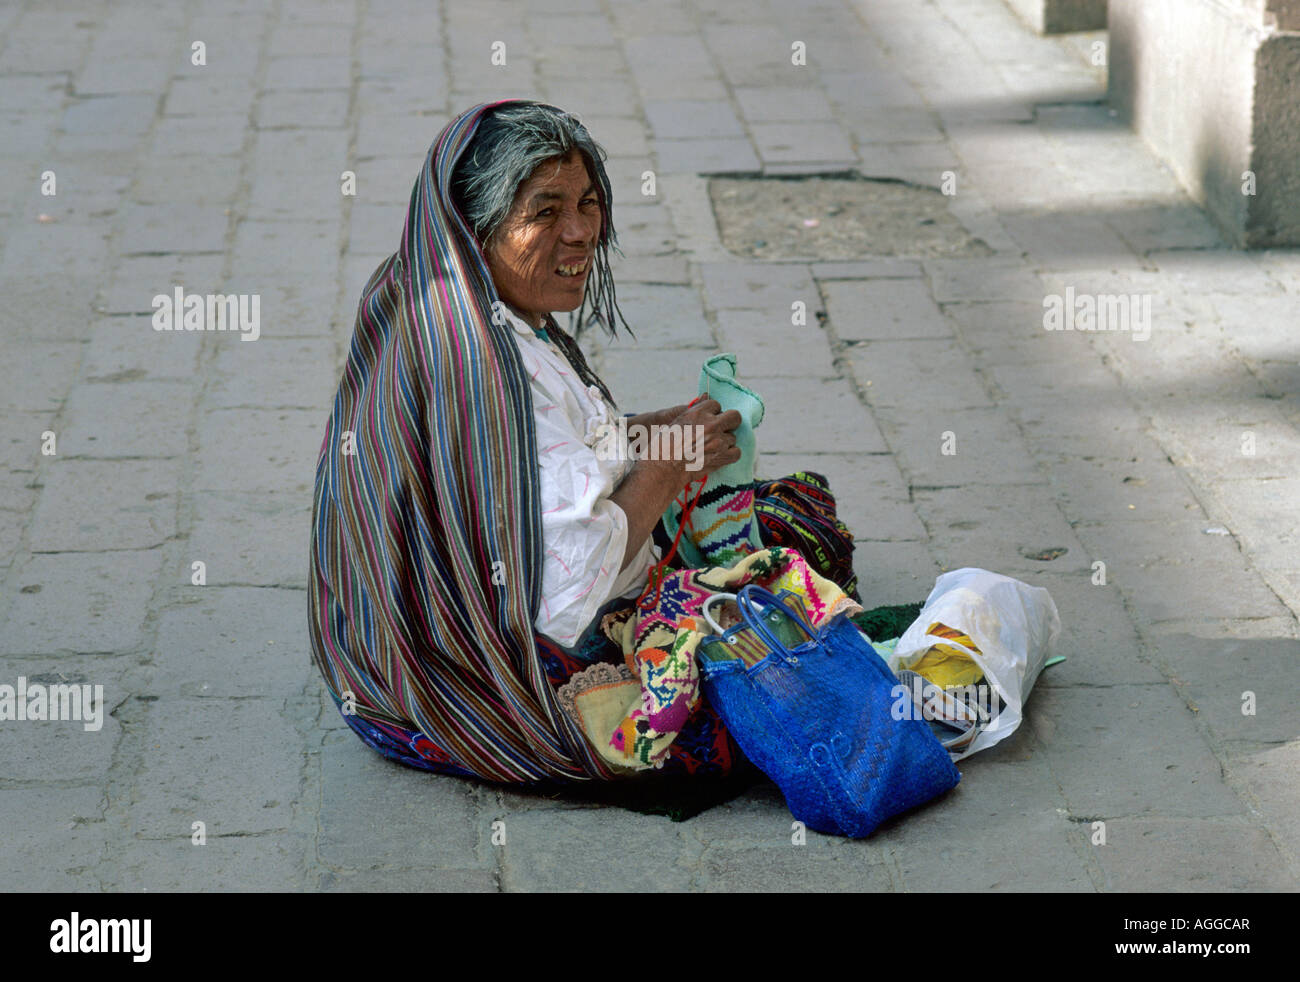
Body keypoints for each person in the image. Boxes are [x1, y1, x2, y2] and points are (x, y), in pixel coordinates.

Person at [308, 100, 859, 786]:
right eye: (544, 213)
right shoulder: (487, 366)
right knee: (787, 662)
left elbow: (519, 463)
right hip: (513, 653)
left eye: (589, 204)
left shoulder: (432, 289)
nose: (580, 234)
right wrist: (666, 464)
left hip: (391, 651)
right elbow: (570, 600)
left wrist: (641, 435)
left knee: (797, 516)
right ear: (476, 229)